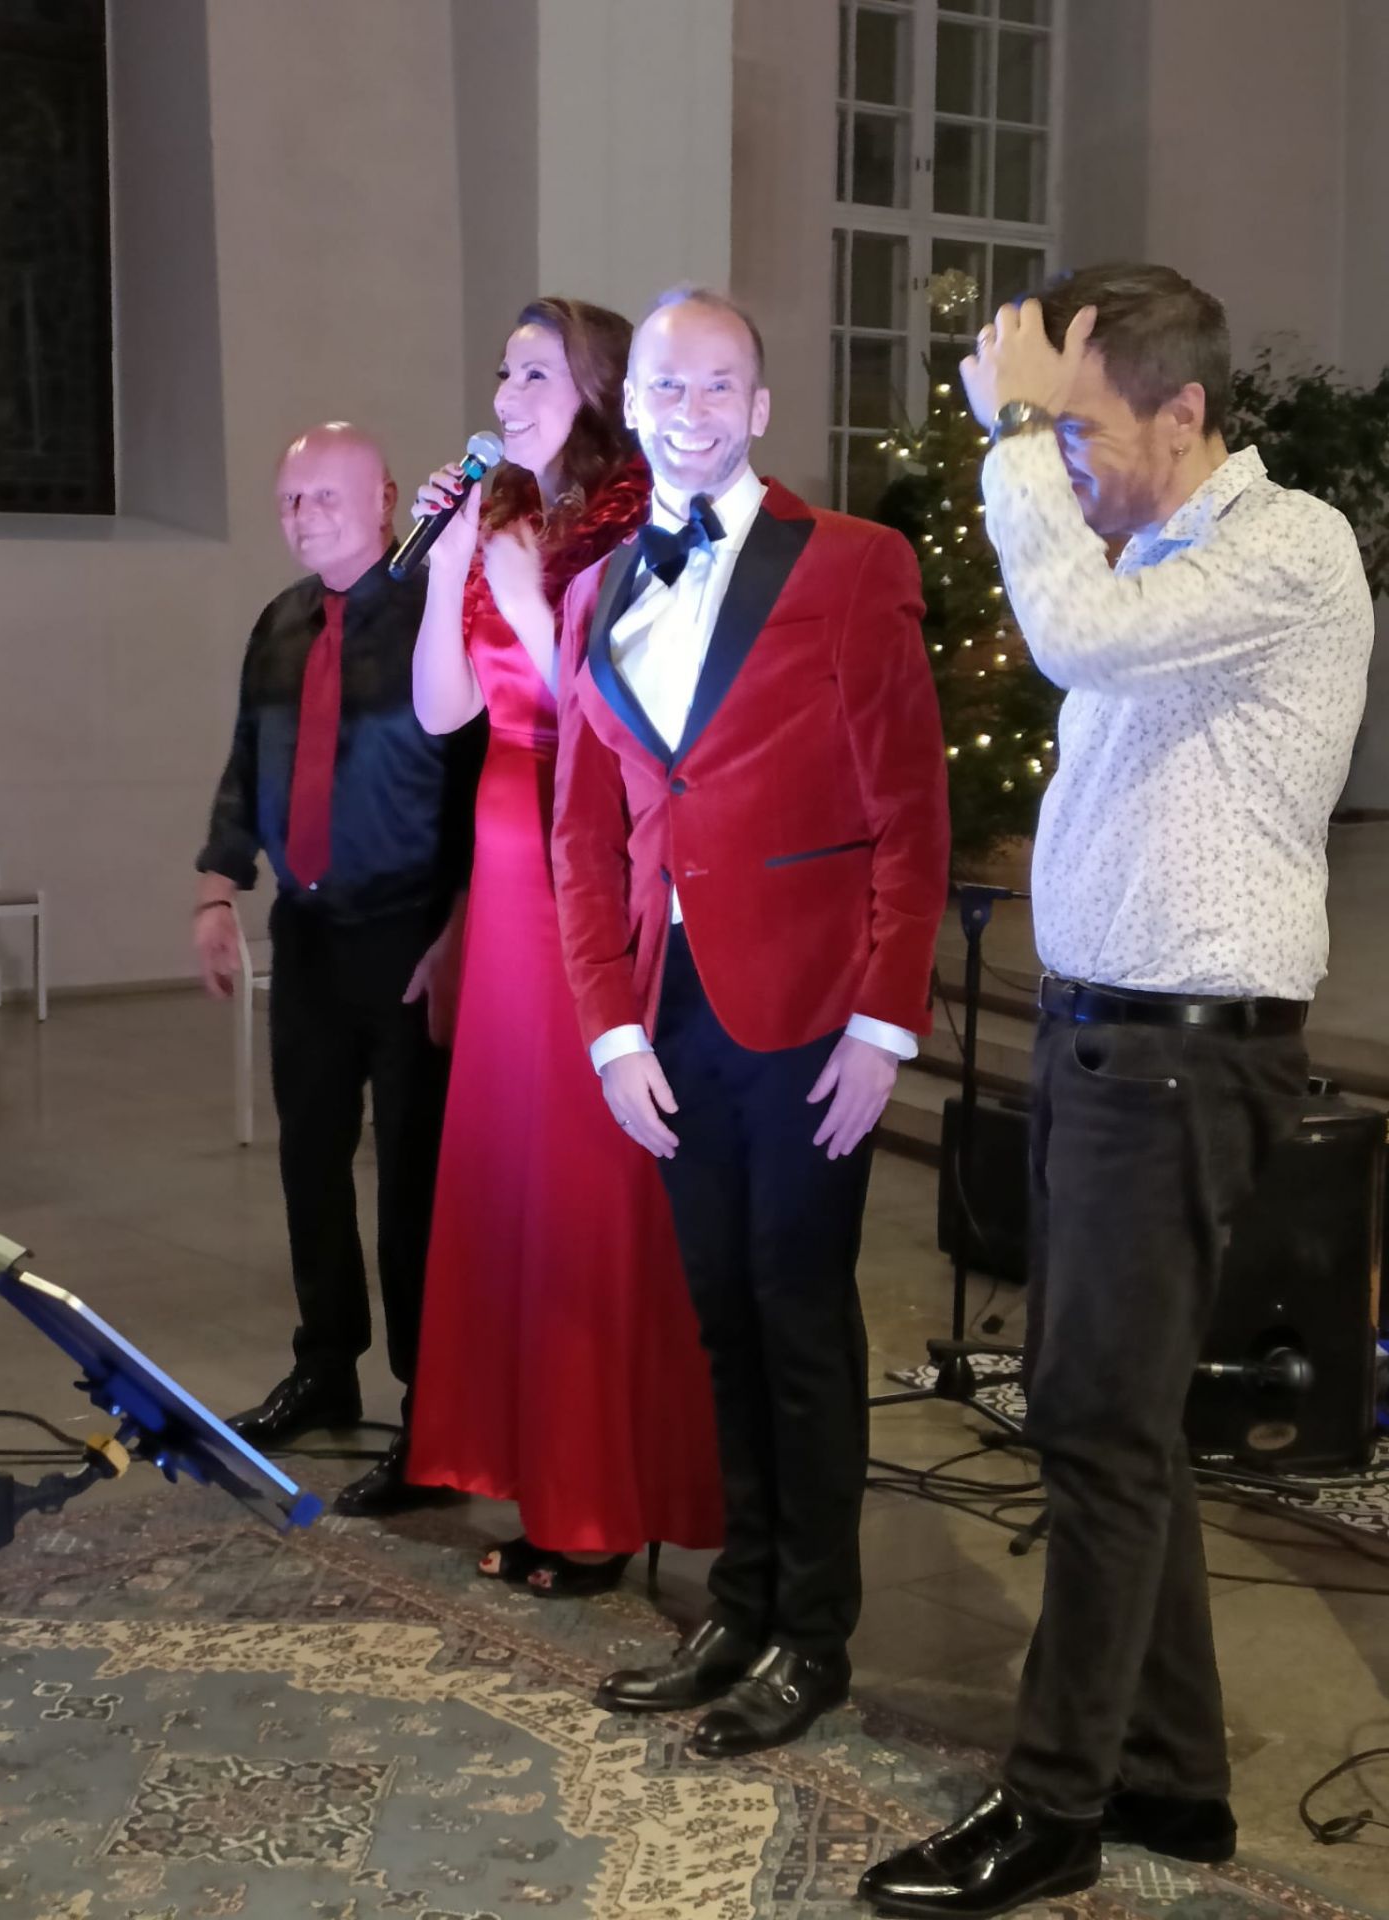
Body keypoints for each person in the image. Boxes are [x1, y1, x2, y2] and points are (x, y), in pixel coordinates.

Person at [859, 266, 1374, 1919]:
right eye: (1054, 436)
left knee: (1091, 1428)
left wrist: (1009, 431)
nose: (1063, 461)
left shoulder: (1288, 548)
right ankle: (1173, 1776)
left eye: (1084, 431)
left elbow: (1069, 632)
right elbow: (1089, 635)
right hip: (1108, 1042)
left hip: (1181, 1052)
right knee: (1118, 1425)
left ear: (1185, 411)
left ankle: (1055, 1801)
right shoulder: (1151, 557)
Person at [552, 288, 949, 1755]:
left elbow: (911, 810)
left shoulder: (852, 562)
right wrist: (610, 1030)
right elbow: (579, 837)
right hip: (668, 1019)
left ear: (762, 407)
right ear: (633, 404)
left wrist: (884, 1026)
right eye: (668, 385)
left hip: (809, 1015)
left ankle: (814, 1635)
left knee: (800, 1322)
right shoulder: (597, 592)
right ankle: (742, 1602)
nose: (692, 410)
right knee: (720, 1319)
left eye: (720, 385)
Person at [403, 297, 723, 1591]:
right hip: (500, 858)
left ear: (595, 392)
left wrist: (525, 586)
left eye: (535, 372)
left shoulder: (634, 526)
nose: (506, 392)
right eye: (503, 370)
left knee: (584, 1180)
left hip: (580, 856)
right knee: (510, 1173)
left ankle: (600, 1503)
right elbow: (444, 713)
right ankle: (536, 1476)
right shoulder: (501, 518)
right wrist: (449, 566)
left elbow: (615, 712)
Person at [194, 421, 485, 1516]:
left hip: (411, 937)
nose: (304, 516)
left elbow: (479, 786)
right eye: (290, 499)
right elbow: (247, 760)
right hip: (310, 932)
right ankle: (326, 1365)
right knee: (309, 1160)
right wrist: (217, 886)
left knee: (412, 1181)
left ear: (385, 499)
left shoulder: (436, 617)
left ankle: (433, 1414)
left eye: (325, 496)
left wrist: (460, 929)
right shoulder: (279, 624)